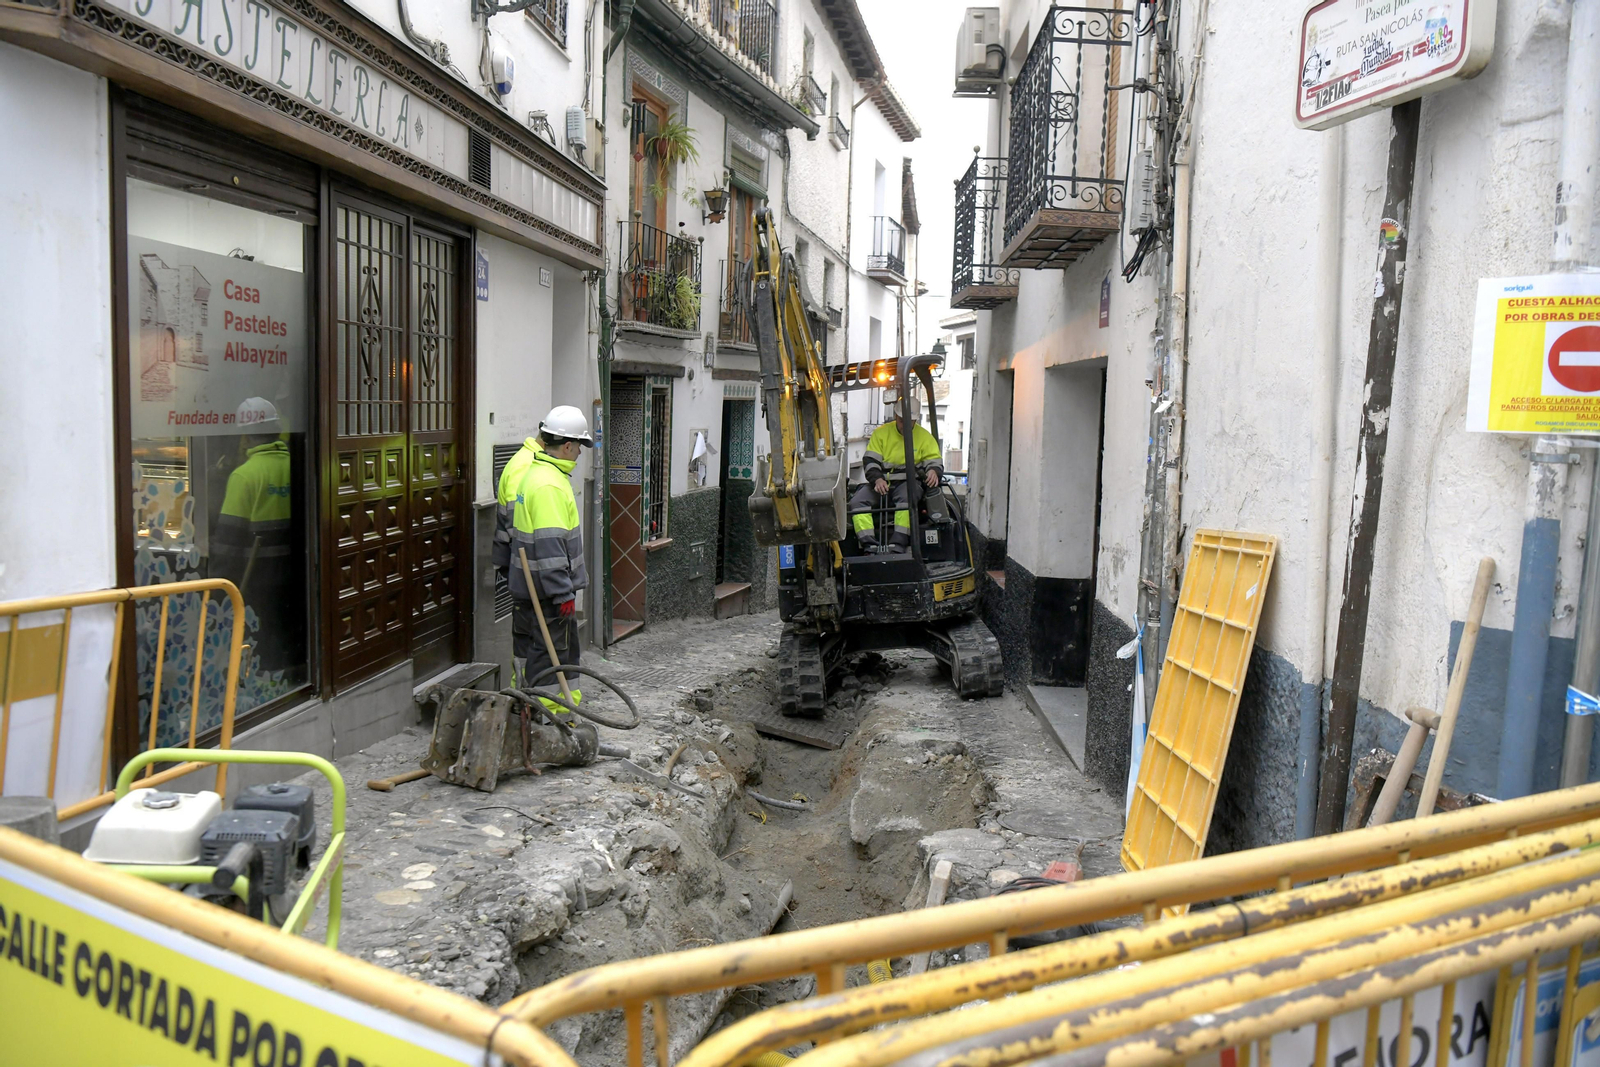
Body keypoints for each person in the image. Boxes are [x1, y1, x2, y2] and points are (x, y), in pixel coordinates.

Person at [510, 405, 593, 714]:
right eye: (579, 448)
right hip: (548, 595)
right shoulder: (549, 485)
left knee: (529, 653)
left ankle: (526, 709)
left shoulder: (533, 474)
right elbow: (550, 548)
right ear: (568, 446)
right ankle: (553, 716)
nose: (580, 455)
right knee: (556, 656)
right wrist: (563, 594)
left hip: (527, 589)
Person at [211, 397, 293, 669]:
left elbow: (228, 541)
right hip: (293, 574)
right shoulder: (295, 466)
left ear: (245, 435)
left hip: (258, 578)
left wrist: (217, 590)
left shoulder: (244, 476)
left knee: (260, 642)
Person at [850, 388, 944, 552]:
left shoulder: (924, 437)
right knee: (857, 502)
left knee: (907, 499)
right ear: (896, 416)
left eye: (909, 421)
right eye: (901, 420)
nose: (905, 424)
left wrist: (933, 471)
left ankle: (898, 543)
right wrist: (877, 479)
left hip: (908, 483)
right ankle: (869, 545)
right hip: (881, 484)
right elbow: (871, 461)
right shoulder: (881, 434)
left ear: (915, 419)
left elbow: (934, 460)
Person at [493, 432, 544, 587]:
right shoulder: (526, 464)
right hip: (523, 564)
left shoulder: (533, 459)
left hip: (524, 562)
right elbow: (516, 519)